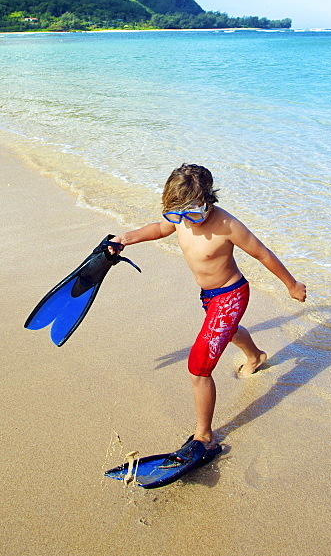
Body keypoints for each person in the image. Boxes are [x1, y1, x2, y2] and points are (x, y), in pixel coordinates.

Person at [112, 163, 306, 451]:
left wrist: (291, 285)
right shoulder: (180, 217)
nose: (185, 221)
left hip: (231, 296)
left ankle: (204, 435)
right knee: (227, 332)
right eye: (177, 214)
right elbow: (158, 229)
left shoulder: (228, 226)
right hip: (209, 296)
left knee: (199, 367)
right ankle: (256, 356)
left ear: (208, 200)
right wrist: (126, 238)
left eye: (192, 213)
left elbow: (262, 254)